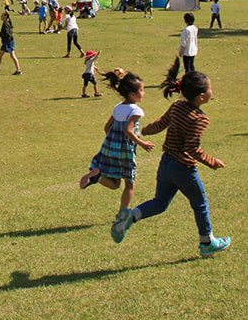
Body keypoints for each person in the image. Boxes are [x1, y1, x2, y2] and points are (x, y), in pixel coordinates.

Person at [110, 60, 231, 257]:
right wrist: (212, 161)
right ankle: (207, 242)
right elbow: (192, 148)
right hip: (183, 169)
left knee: (160, 202)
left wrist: (145, 131)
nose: (211, 91)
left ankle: (131, 216)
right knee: (200, 203)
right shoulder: (200, 119)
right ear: (202, 96)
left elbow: (161, 123)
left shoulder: (176, 107)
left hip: (166, 164)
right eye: (210, 88)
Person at [79, 69, 154, 222]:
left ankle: (98, 177)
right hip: (125, 151)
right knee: (130, 184)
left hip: (110, 148)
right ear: (132, 94)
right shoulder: (136, 111)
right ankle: (122, 215)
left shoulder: (118, 107)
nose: (144, 93)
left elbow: (107, 127)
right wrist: (142, 143)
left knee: (115, 184)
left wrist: (113, 142)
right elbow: (128, 130)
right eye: (142, 90)